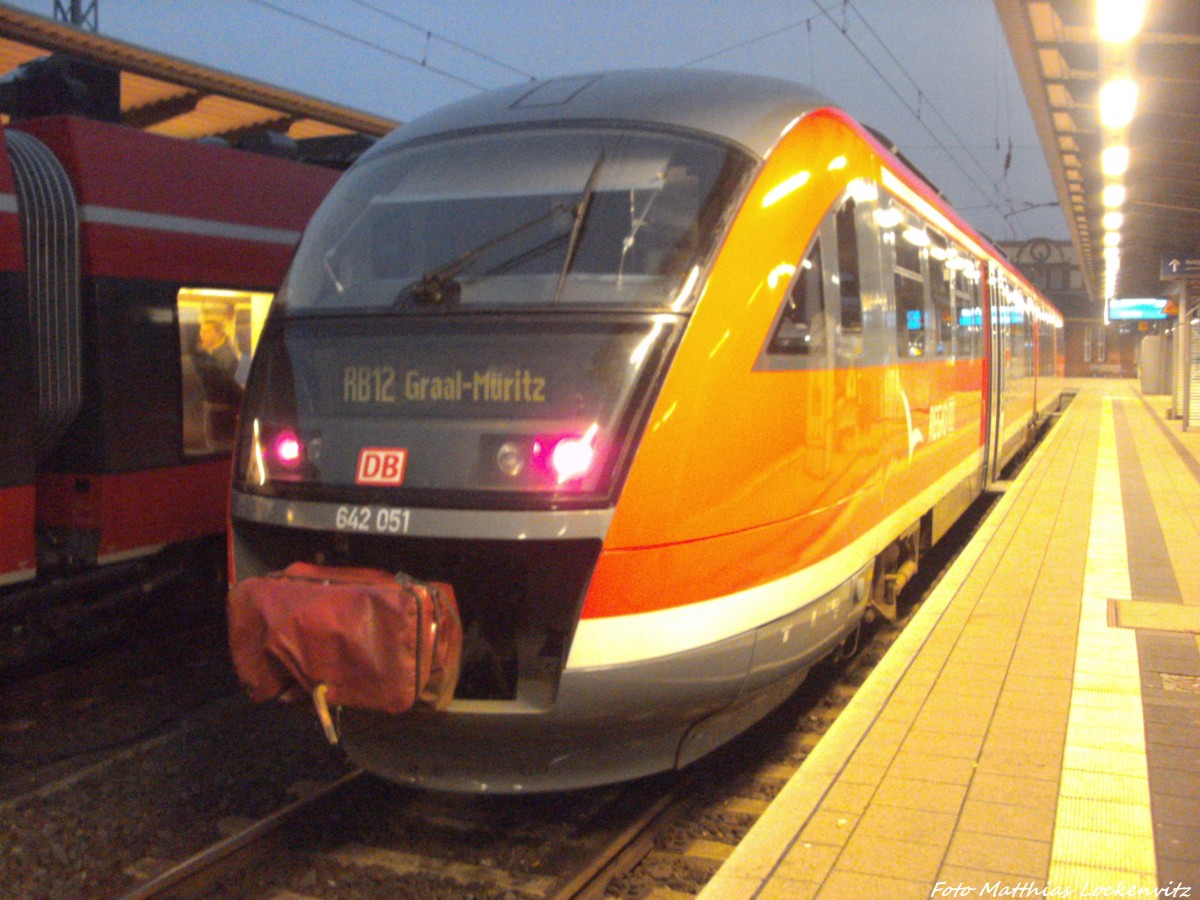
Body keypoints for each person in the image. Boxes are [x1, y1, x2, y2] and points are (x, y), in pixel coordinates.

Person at [191, 317, 242, 407]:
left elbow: (220, 383)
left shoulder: (227, 356)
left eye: (207, 332)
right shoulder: (200, 350)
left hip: (221, 403)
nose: (202, 335)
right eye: (201, 331)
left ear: (218, 334)